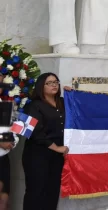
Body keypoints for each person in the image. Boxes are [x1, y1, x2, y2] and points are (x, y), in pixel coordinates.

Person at [22, 73, 68, 210]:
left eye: (56, 82)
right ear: (41, 86)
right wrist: (56, 148)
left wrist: (73, 94)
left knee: (52, 192)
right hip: (37, 155)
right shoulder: (33, 105)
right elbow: (35, 133)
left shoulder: (62, 102)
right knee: (36, 192)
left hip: (57, 156)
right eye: (49, 83)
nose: (54, 85)